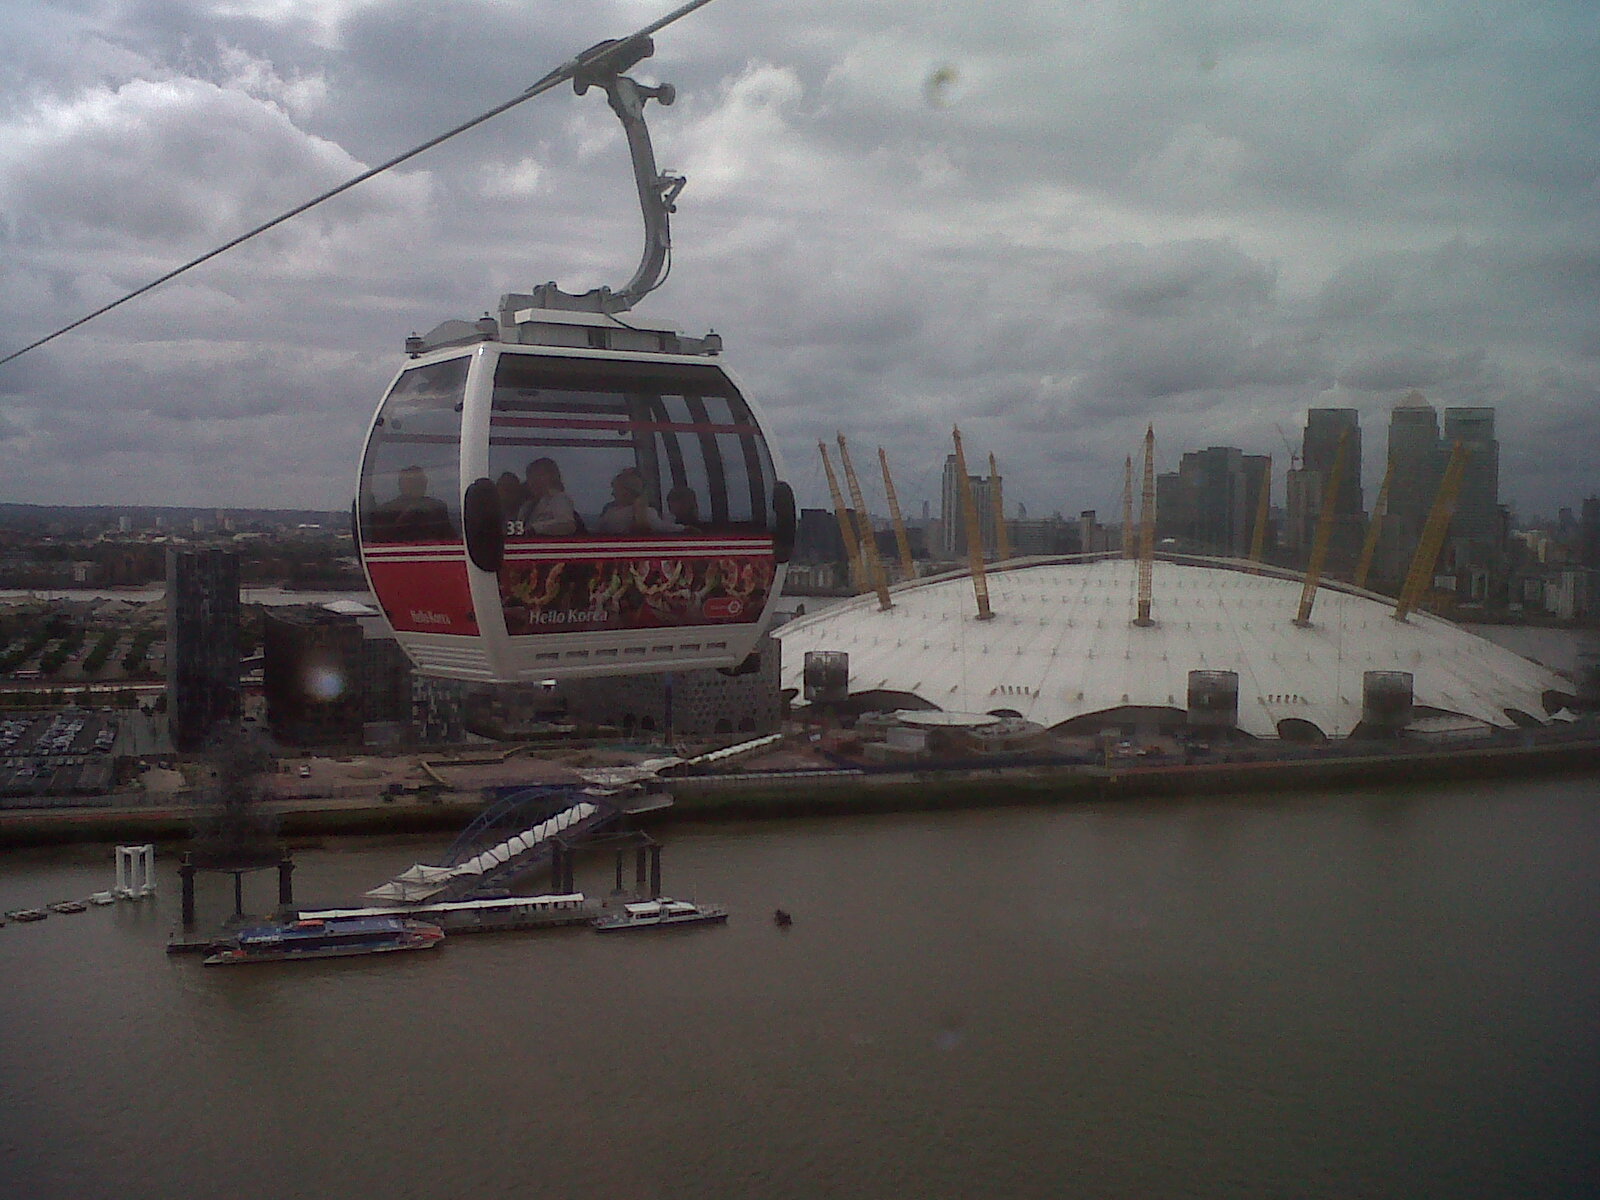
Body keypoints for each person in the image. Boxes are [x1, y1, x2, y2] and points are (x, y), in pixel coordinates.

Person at [369, 465, 453, 542]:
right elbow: (379, 542)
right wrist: (401, 521)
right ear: (400, 485)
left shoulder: (438, 508)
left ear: (425, 483)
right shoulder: (386, 511)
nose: (416, 485)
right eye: (411, 481)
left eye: (420, 481)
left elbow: (451, 539)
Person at [597, 468, 681, 534]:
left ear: (626, 493)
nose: (612, 493)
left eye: (615, 489)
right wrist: (685, 528)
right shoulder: (647, 513)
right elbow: (663, 528)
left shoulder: (610, 513)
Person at [516, 457, 578, 535]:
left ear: (552, 477)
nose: (534, 480)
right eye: (531, 476)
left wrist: (535, 529)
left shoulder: (559, 499)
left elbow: (567, 525)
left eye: (540, 475)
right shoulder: (526, 507)